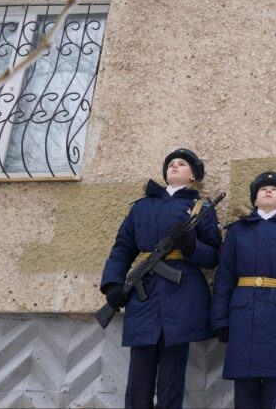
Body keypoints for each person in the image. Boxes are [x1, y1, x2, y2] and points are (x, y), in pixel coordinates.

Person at [100, 148, 222, 408]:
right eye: (171, 164)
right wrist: (113, 284)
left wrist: (191, 246)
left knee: (171, 380)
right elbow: (122, 247)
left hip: (181, 297)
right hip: (144, 294)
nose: (174, 166)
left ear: (193, 177)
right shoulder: (142, 207)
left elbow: (214, 255)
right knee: (139, 379)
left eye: (182, 164)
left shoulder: (201, 208)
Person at [211, 171, 276, 408]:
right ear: (255, 200)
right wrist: (220, 320)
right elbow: (224, 278)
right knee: (245, 387)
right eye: (262, 189)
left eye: (275, 189)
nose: (268, 191)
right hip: (242, 313)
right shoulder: (238, 230)